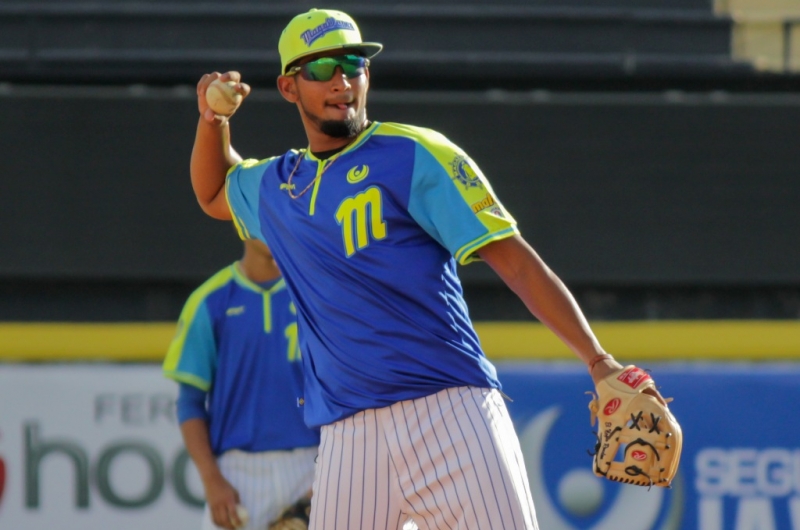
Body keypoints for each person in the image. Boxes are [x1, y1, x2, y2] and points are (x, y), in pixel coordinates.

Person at [188, 8, 637, 530]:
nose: (342, 80)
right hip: (345, 435)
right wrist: (212, 120)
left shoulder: (415, 153)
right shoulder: (278, 185)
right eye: (322, 68)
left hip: (450, 412)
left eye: (354, 64)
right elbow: (214, 191)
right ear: (289, 87)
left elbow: (515, 263)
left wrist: (598, 360)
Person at [163, 238, 319, 530]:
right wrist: (212, 482)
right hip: (237, 479)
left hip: (312, 465)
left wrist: (331, 474)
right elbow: (189, 403)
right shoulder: (209, 300)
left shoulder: (316, 292)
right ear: (241, 222)